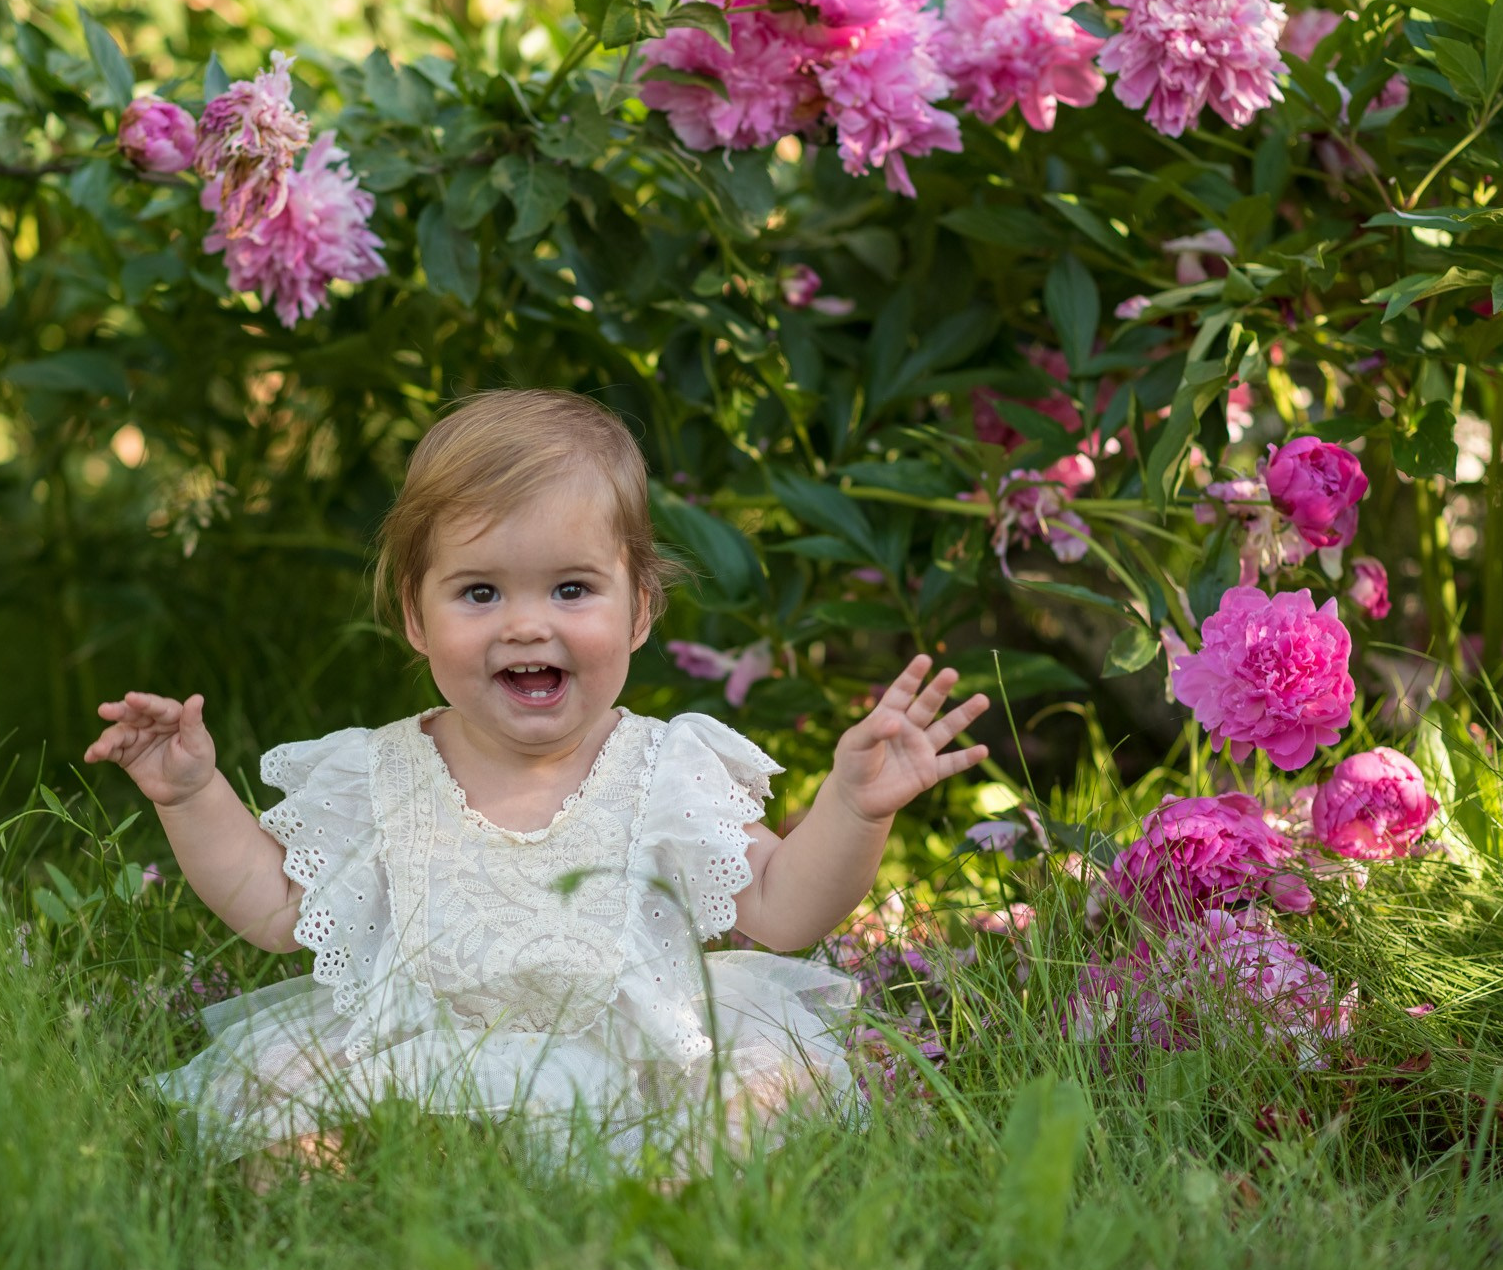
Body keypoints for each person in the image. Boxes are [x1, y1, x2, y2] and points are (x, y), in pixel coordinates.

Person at [84, 389, 991, 1182]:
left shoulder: (664, 768)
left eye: (570, 589)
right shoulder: (379, 770)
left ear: (639, 610)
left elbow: (783, 910)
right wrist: (191, 795)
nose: (526, 625)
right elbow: (278, 912)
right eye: (479, 593)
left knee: (765, 1083)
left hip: (632, 1061)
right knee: (279, 1108)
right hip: (420, 1053)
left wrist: (853, 805)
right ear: (414, 614)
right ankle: (373, 1187)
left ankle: (657, 1190)